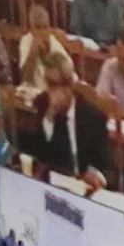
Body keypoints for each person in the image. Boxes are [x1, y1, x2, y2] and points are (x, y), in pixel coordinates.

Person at [24, 52, 110, 191]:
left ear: (71, 84)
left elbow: (104, 165)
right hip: (55, 184)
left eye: (61, 84)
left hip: (85, 187)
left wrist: (97, 176)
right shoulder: (43, 104)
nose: (56, 92)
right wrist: (50, 117)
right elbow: (39, 155)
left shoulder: (93, 116)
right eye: (51, 85)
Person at [17, 1, 72, 86]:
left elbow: (68, 70)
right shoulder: (26, 41)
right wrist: (33, 52)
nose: (42, 32)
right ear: (31, 29)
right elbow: (25, 79)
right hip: (32, 89)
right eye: (38, 28)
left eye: (45, 27)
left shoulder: (53, 41)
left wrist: (48, 53)